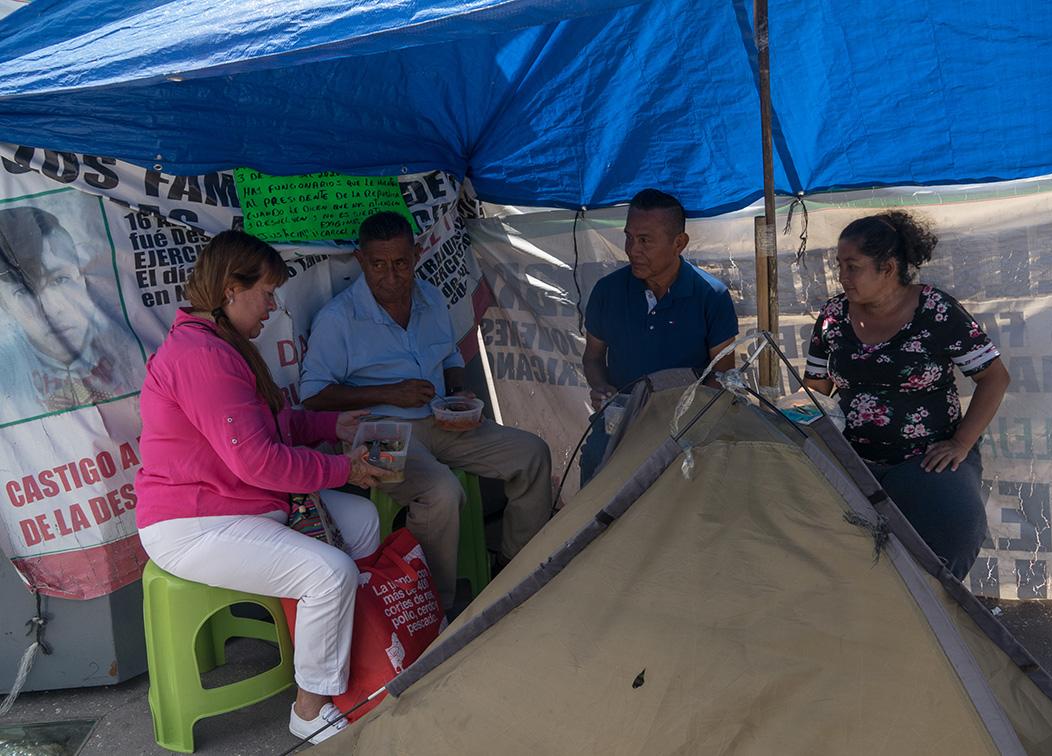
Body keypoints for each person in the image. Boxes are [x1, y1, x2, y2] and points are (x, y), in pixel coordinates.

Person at [134, 231, 391, 745]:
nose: (273, 306)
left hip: (240, 502)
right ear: (232, 289)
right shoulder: (202, 356)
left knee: (363, 522)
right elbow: (259, 462)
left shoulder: (224, 345)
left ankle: (345, 655)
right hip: (194, 521)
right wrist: (345, 469)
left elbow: (270, 429)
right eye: (267, 293)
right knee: (330, 572)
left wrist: (331, 428)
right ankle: (310, 708)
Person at [300, 211, 553, 611]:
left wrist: (457, 394)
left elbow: (450, 354)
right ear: (361, 261)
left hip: (440, 419)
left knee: (532, 453)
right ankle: (433, 606)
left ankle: (516, 567)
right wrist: (390, 393)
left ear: (416, 255)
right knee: (440, 492)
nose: (390, 276)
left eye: (400, 263)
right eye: (378, 265)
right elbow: (313, 396)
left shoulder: (431, 297)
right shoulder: (339, 319)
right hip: (378, 430)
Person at [802, 211, 1010, 580]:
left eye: (853, 267)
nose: (842, 277)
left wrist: (961, 443)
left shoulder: (936, 310)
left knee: (950, 543)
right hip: (852, 460)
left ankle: (937, 625)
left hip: (927, 460)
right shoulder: (833, 316)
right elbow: (817, 387)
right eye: (839, 266)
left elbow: (994, 378)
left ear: (888, 267)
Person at [580, 189, 739, 484]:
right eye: (629, 237)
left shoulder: (710, 296)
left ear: (679, 243)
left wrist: (689, 420)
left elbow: (723, 377)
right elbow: (592, 357)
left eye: (645, 240)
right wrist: (602, 388)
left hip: (686, 427)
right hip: (622, 421)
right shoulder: (607, 291)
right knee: (594, 467)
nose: (632, 250)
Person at [0, 206, 144, 422]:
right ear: (4, 305)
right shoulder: (9, 382)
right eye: (24, 292)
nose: (50, 308)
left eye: (60, 280)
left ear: (82, 277)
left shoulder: (137, 345)